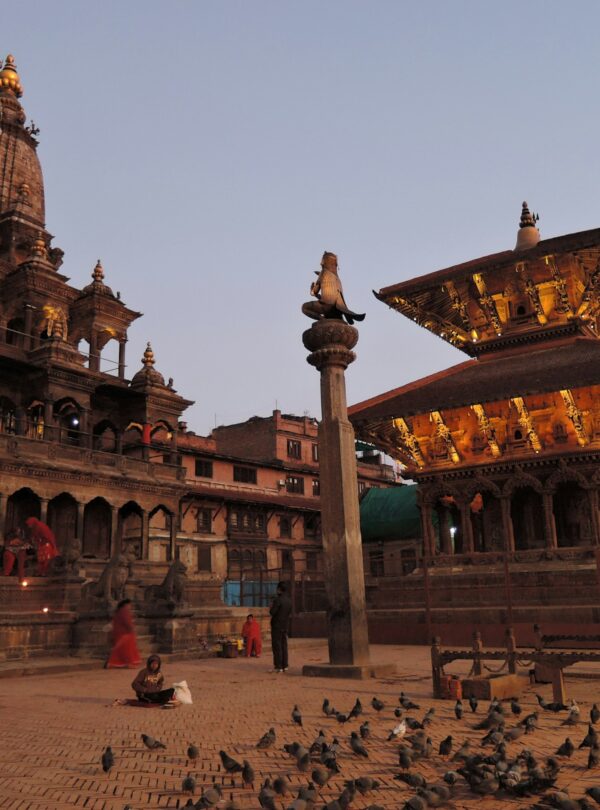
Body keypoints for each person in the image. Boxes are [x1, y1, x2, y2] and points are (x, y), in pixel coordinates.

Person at [106, 599, 141, 669]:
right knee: (127, 648)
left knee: (121, 649)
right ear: (126, 605)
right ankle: (128, 663)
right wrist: (132, 629)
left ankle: (117, 663)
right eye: (129, 605)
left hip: (119, 632)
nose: (130, 607)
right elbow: (127, 622)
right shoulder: (124, 611)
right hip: (125, 633)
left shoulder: (119, 611)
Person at [269, 581, 292, 673]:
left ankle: (278, 666)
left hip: (277, 625)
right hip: (285, 625)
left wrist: (271, 607)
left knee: (277, 645)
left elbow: (272, 612)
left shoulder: (278, 600)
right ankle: (284, 665)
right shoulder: (289, 601)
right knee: (284, 645)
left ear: (279, 589)